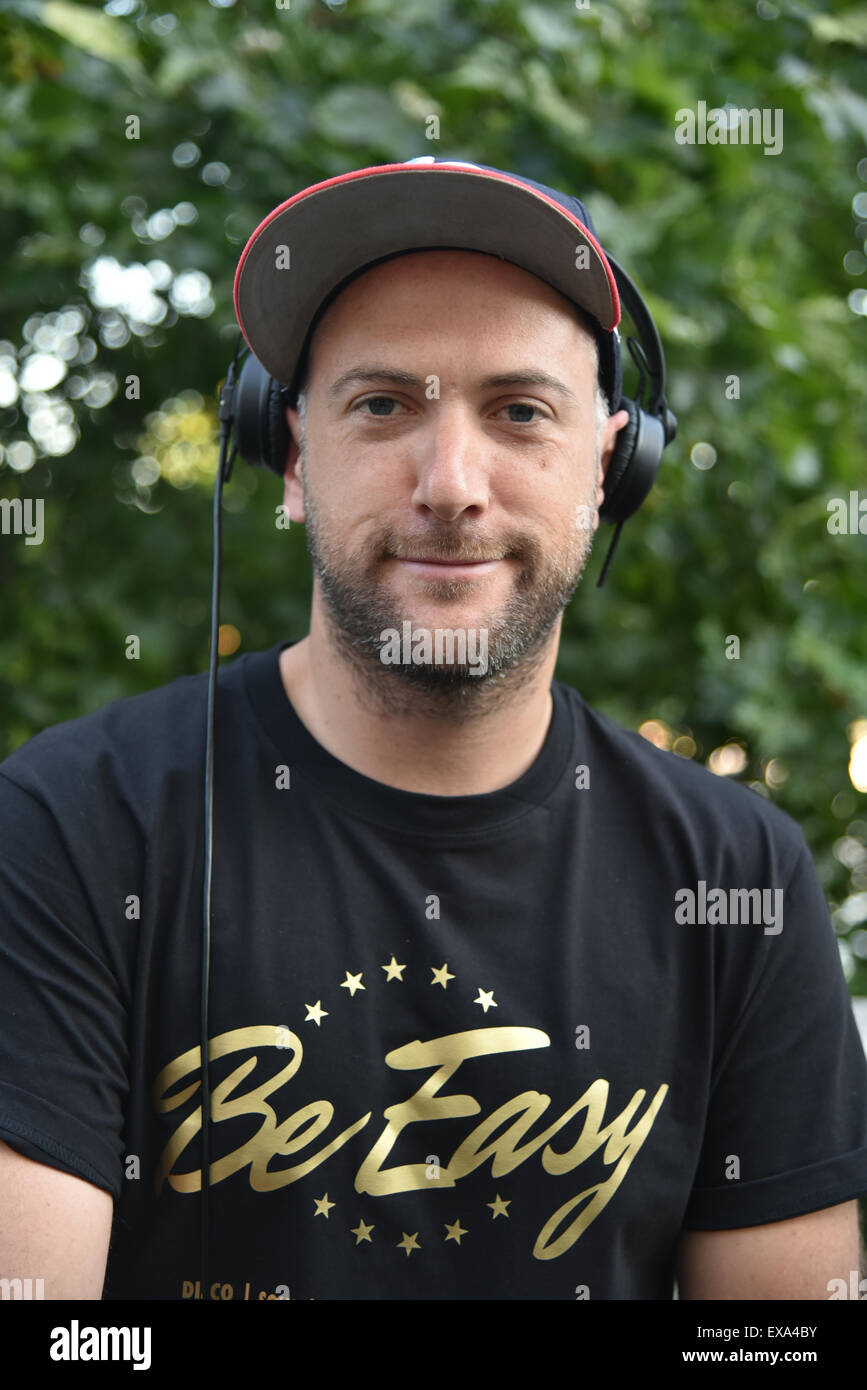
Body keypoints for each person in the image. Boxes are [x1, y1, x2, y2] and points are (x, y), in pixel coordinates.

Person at [1, 159, 866, 1302]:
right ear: (293, 457)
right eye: (383, 405)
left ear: (607, 470)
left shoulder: (737, 875)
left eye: (518, 411)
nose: (452, 483)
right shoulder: (68, 827)